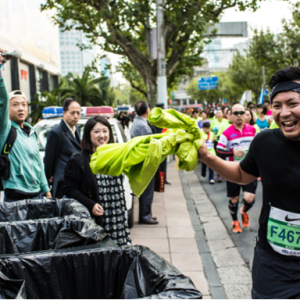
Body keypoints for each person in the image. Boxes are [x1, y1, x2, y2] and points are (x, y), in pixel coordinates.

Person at [198, 66, 300, 299]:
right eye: (277, 106)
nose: (284, 113)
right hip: (273, 264)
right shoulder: (264, 142)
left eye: (293, 103)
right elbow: (243, 174)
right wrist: (207, 157)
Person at [64, 116, 131, 246]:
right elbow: (69, 189)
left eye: (105, 131)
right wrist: (91, 204)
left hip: (116, 215)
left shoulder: (115, 156)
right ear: (88, 134)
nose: (102, 135)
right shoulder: (78, 159)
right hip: (95, 218)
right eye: (96, 131)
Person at [0, 52, 51, 202]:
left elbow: (38, 164)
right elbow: (2, 99)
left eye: (23, 104)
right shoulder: (5, 129)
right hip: (15, 196)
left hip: (37, 195)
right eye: (15, 105)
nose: (21, 108)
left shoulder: (32, 132)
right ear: (7, 110)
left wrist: (46, 189)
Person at [216, 104, 257, 233]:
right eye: (236, 113)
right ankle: (235, 220)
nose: (239, 115)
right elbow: (218, 151)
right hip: (233, 170)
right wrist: (232, 154)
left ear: (246, 114)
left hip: (250, 169)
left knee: (250, 198)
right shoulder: (226, 133)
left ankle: (244, 211)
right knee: (234, 199)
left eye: (241, 112)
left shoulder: (253, 130)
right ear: (230, 116)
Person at [44, 99, 81, 198]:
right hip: (62, 183)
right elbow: (49, 160)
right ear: (64, 113)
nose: (76, 116)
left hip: (76, 181)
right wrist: (50, 177)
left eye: (78, 113)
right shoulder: (56, 132)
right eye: (72, 113)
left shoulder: (76, 129)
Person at [130, 101, 158, 225]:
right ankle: (145, 216)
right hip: (145, 162)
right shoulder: (143, 126)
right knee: (147, 190)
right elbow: (150, 146)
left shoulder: (137, 123)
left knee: (146, 190)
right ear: (147, 110)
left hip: (140, 161)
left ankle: (146, 214)